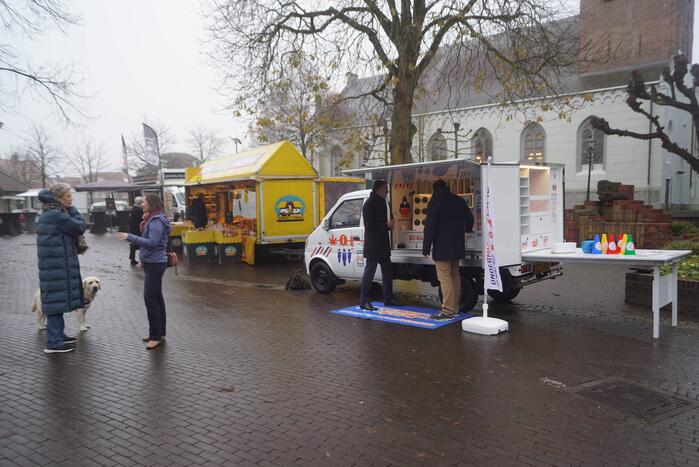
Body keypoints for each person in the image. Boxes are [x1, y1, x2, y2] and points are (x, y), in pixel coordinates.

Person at [36, 183, 87, 354]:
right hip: (57, 266)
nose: (71, 199)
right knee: (56, 303)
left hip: (55, 266)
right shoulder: (57, 214)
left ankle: (58, 335)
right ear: (58, 198)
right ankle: (53, 342)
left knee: (57, 301)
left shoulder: (50, 212)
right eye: (68, 196)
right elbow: (79, 227)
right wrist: (72, 209)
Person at [117, 194, 171, 350]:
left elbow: (152, 242)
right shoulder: (153, 219)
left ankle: (155, 336)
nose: (142, 204)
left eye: (144, 202)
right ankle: (160, 333)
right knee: (157, 297)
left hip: (155, 263)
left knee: (150, 298)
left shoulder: (156, 221)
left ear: (151, 204)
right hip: (154, 262)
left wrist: (130, 237)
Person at [422, 179, 474, 320]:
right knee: (455, 277)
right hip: (457, 247)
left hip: (442, 249)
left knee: (444, 278)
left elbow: (429, 227)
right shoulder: (459, 200)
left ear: (434, 190)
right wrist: (467, 229)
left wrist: (426, 248)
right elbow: (470, 219)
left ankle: (447, 311)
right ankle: (455, 307)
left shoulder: (434, 203)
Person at [359, 179, 401, 310]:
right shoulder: (369, 204)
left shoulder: (386, 203)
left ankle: (388, 299)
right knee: (369, 274)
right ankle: (364, 301)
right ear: (378, 190)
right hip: (373, 245)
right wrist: (386, 225)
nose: (387, 192)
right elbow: (369, 225)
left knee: (388, 273)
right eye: (385, 190)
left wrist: (391, 224)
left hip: (383, 243)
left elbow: (388, 220)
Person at [128, 196, 144, 266]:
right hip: (137, 229)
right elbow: (142, 218)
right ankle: (142, 259)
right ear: (140, 202)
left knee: (133, 244)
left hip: (133, 229)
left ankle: (132, 259)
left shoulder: (133, 208)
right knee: (140, 243)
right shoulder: (138, 210)